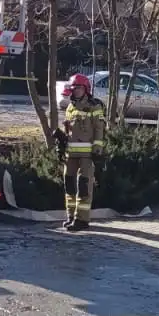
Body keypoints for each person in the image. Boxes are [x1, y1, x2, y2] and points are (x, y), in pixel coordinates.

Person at [61, 73, 106, 232]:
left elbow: (99, 129)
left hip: (87, 155)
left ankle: (82, 220)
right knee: (69, 185)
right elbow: (68, 130)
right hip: (70, 154)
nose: (76, 91)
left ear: (86, 89)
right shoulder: (70, 107)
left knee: (84, 186)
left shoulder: (94, 106)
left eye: (79, 88)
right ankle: (71, 216)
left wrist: (97, 149)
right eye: (74, 88)